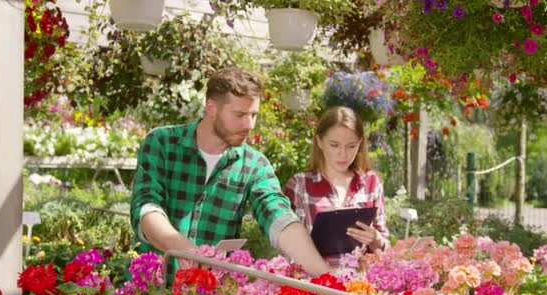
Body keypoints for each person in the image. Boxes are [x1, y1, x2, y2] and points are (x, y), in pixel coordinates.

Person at [131, 67, 332, 283]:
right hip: (151, 291)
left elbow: (280, 218)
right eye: (240, 115)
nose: (249, 125)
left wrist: (328, 278)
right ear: (211, 108)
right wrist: (182, 248)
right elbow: (147, 207)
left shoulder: (255, 165)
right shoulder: (162, 143)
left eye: (254, 115)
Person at [284, 106, 390, 264]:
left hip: (360, 285)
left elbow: (385, 250)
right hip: (315, 284)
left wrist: (376, 239)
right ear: (320, 141)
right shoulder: (299, 185)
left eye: (351, 146)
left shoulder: (372, 183)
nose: (343, 154)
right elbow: (288, 246)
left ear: (360, 144)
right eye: (334, 145)